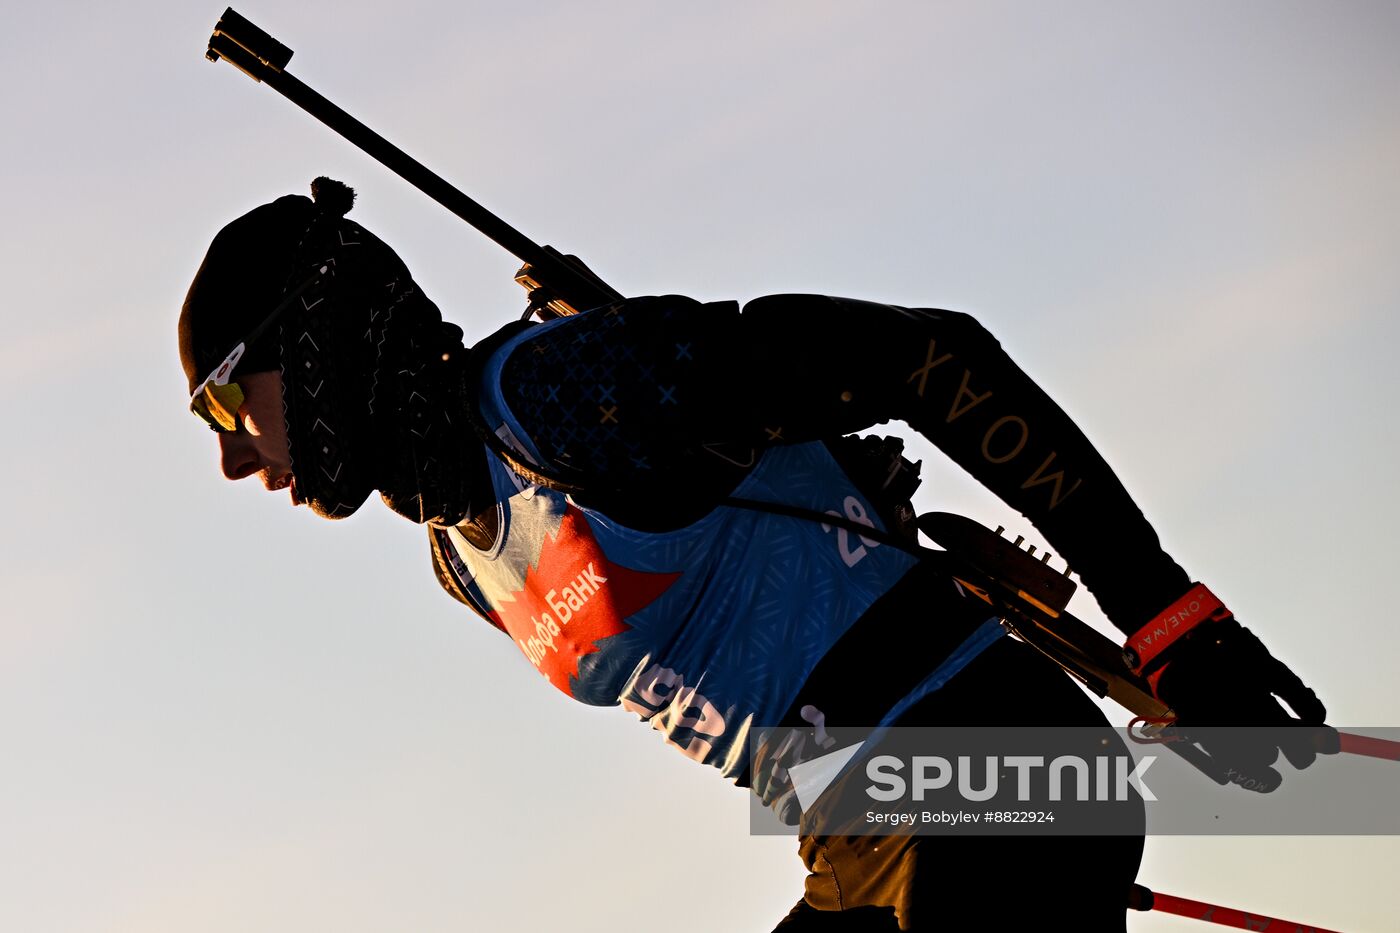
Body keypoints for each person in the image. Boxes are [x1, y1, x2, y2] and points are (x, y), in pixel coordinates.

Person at [179, 178, 1329, 931]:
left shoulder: (556, 392)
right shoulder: (459, 559)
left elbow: (930, 357)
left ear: (315, 333)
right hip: (854, 833)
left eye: (231, 405)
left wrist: (1167, 620)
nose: (236, 460)